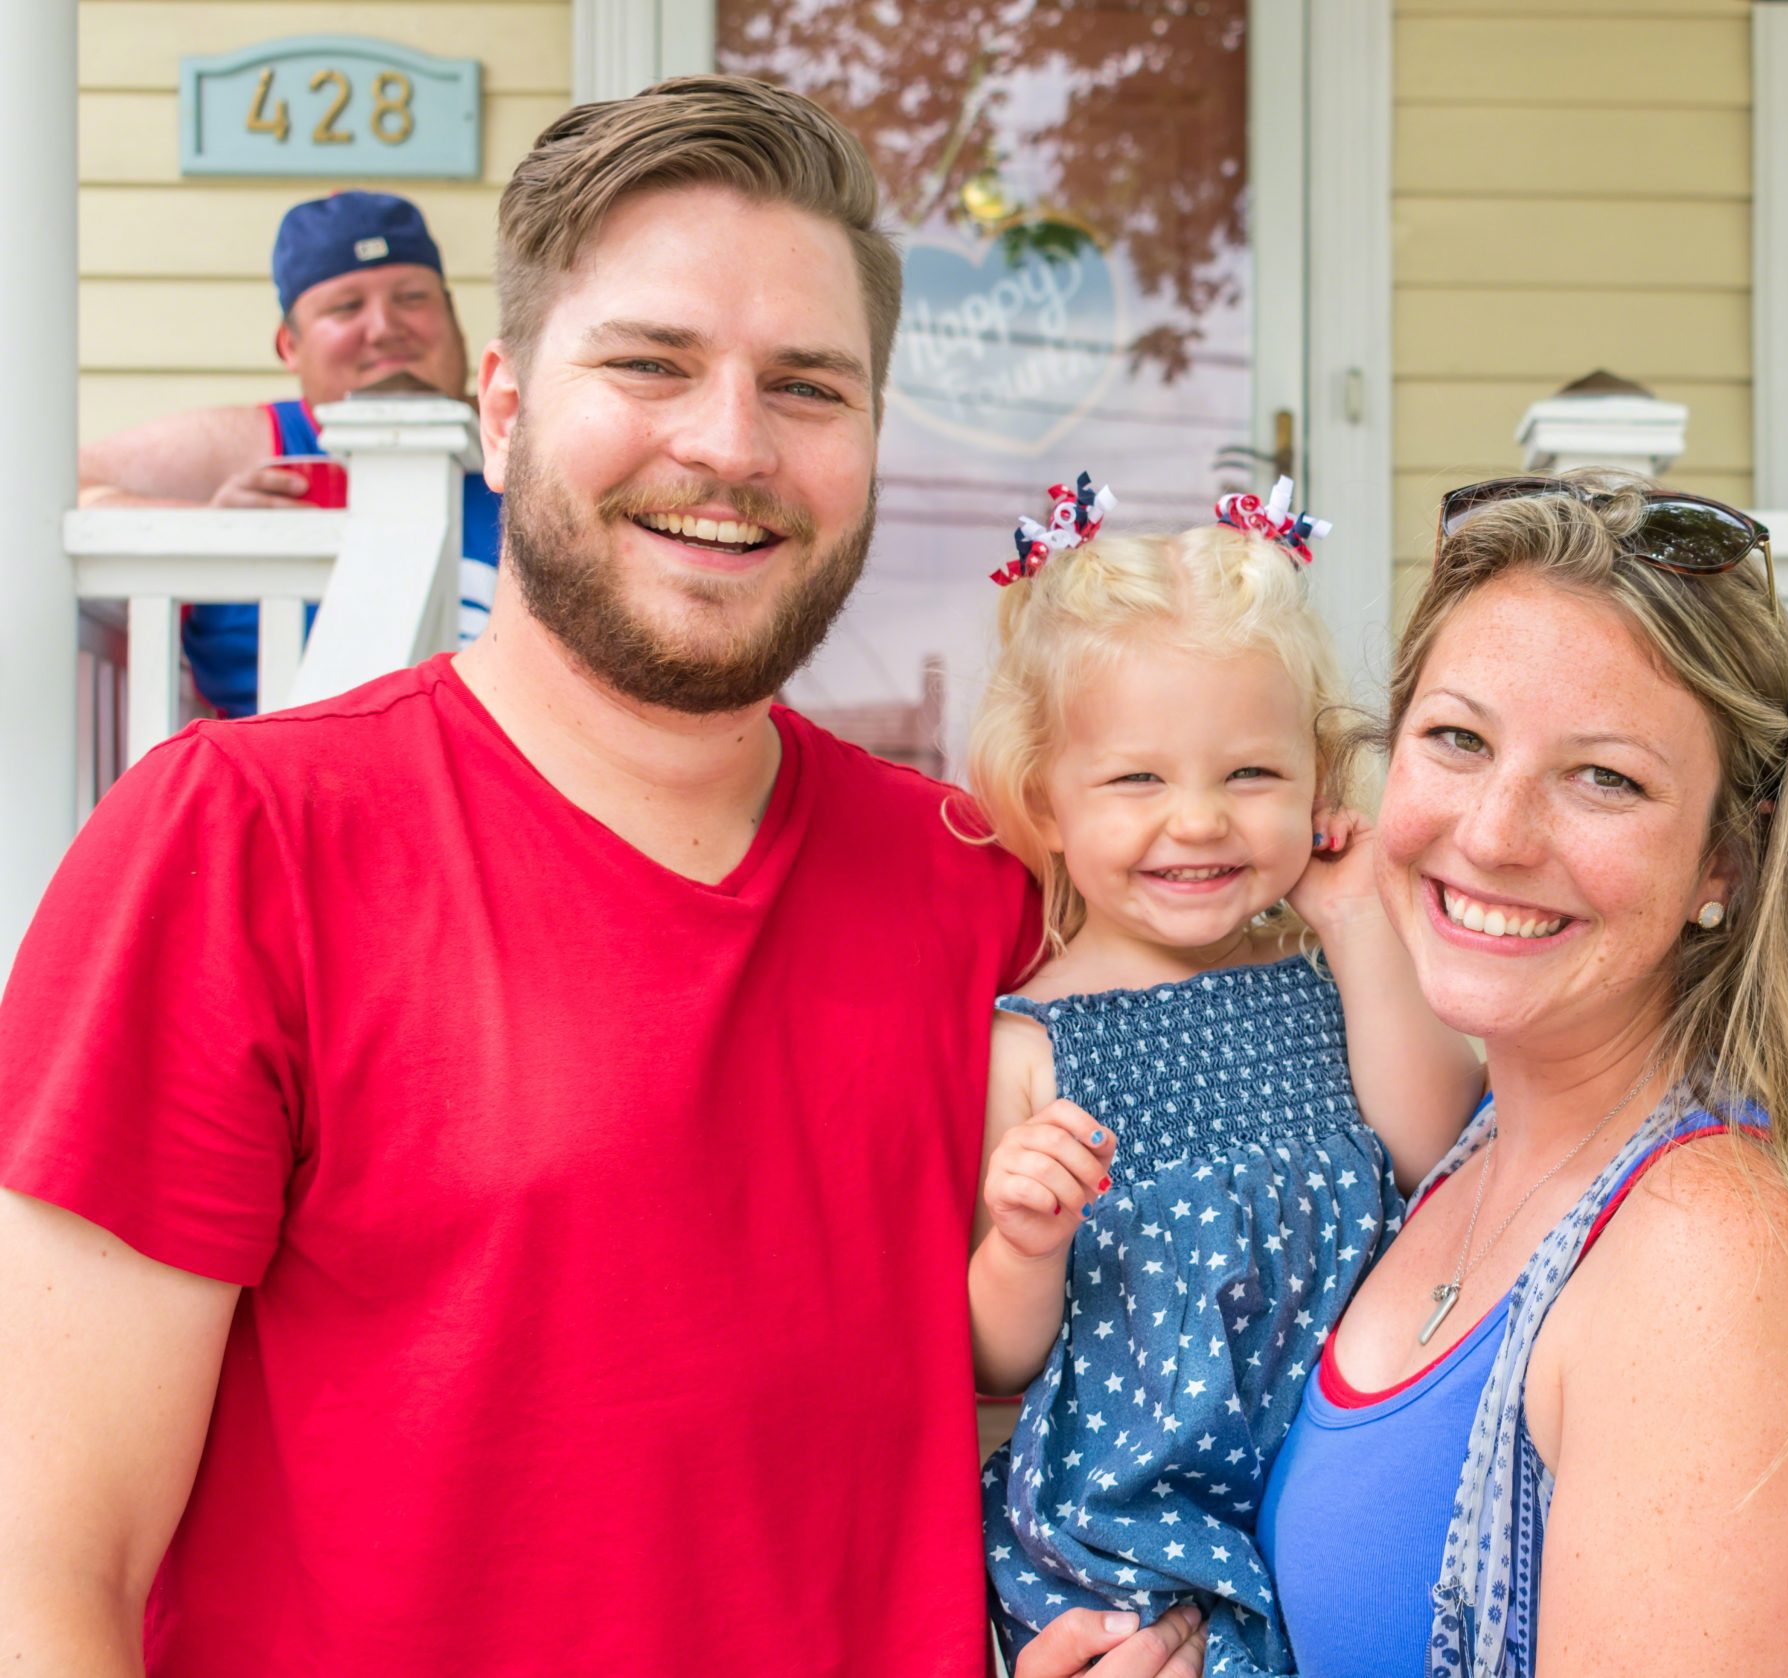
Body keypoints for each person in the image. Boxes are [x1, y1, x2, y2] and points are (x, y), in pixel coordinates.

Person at [0, 76, 1197, 1678]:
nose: (730, 445)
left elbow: (1068, 1370)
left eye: (808, 387)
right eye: (649, 363)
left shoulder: (974, 879)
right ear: (500, 407)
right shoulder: (241, 846)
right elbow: (48, 1577)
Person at [1256, 474, 1788, 1676]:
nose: (1492, 832)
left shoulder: (1710, 1254)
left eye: (1605, 779)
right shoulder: (1472, 1143)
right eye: (1457, 740)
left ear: (1722, 864)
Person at [963, 477, 1482, 1671]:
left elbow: (1438, 1154)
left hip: (1338, 1496)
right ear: (1045, 799)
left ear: (1315, 780)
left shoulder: (1331, 977)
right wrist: (1023, 1245)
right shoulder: (1032, 1046)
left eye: (1249, 776)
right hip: (1135, 1542)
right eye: (1137, 780)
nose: (1196, 821)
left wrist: (1355, 923)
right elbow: (995, 1365)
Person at [75, 190, 501, 715]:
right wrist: (207, 525)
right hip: (282, 783)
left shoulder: (523, 435)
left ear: (454, 317)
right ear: (289, 346)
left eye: (412, 297)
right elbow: (48, 489)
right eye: (346, 307)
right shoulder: (249, 445)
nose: (386, 328)